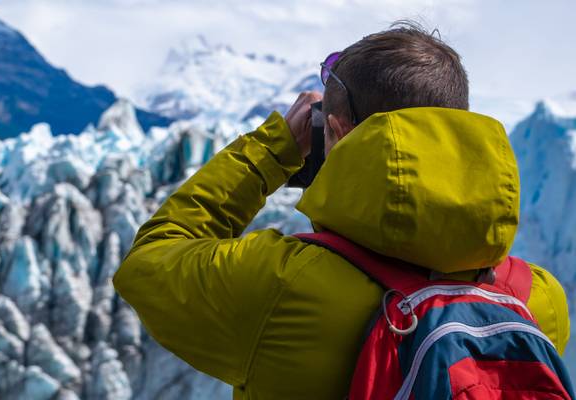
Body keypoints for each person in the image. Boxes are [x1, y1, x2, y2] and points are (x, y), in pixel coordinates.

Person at [113, 22, 571, 398]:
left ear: (335, 132)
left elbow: (149, 262)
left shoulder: (279, 287)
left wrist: (272, 152)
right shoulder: (539, 301)